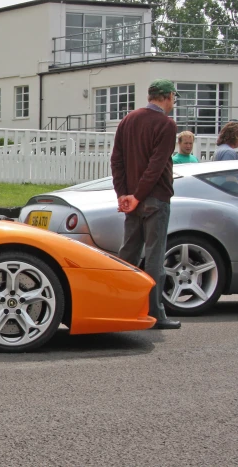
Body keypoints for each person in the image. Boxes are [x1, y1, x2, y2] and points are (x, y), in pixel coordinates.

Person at [110, 78, 181, 330]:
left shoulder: (128, 120)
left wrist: (124, 194)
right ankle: (155, 312)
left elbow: (116, 160)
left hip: (131, 198)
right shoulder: (166, 124)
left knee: (127, 254)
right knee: (154, 255)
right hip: (155, 197)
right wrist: (138, 195)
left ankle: (119, 306)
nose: (174, 102)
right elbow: (156, 166)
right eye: (174, 97)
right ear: (168, 97)